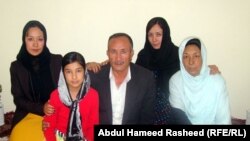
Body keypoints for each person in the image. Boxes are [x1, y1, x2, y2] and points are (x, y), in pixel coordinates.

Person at [9, 20, 102, 141]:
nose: (35, 44)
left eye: (40, 39)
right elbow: (18, 99)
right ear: (24, 40)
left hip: (56, 115)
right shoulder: (16, 66)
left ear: (45, 40)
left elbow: (71, 67)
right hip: (28, 115)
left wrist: (88, 65)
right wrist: (42, 108)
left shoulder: (56, 60)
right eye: (30, 39)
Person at [135, 17, 220, 125]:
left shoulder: (177, 54)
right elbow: (133, 73)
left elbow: (191, 68)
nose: (154, 39)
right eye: (150, 35)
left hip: (173, 107)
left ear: (165, 34)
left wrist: (208, 69)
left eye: (158, 34)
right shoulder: (143, 55)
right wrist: (112, 63)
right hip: (148, 107)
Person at [89, 32, 156, 124]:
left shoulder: (146, 78)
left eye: (123, 52)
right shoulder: (95, 76)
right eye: (113, 52)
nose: (118, 58)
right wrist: (84, 66)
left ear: (131, 53)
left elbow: (146, 119)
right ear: (107, 53)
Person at [169, 37, 231, 124]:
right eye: (186, 57)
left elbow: (223, 119)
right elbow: (179, 118)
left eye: (196, 56)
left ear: (203, 57)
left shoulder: (217, 82)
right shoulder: (175, 81)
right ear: (181, 59)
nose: (191, 62)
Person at [43, 51, 99, 141]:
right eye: (69, 72)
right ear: (63, 74)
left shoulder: (93, 95)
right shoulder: (56, 95)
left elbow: (92, 126)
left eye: (78, 71)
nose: (74, 77)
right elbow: (49, 126)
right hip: (59, 137)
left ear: (85, 71)